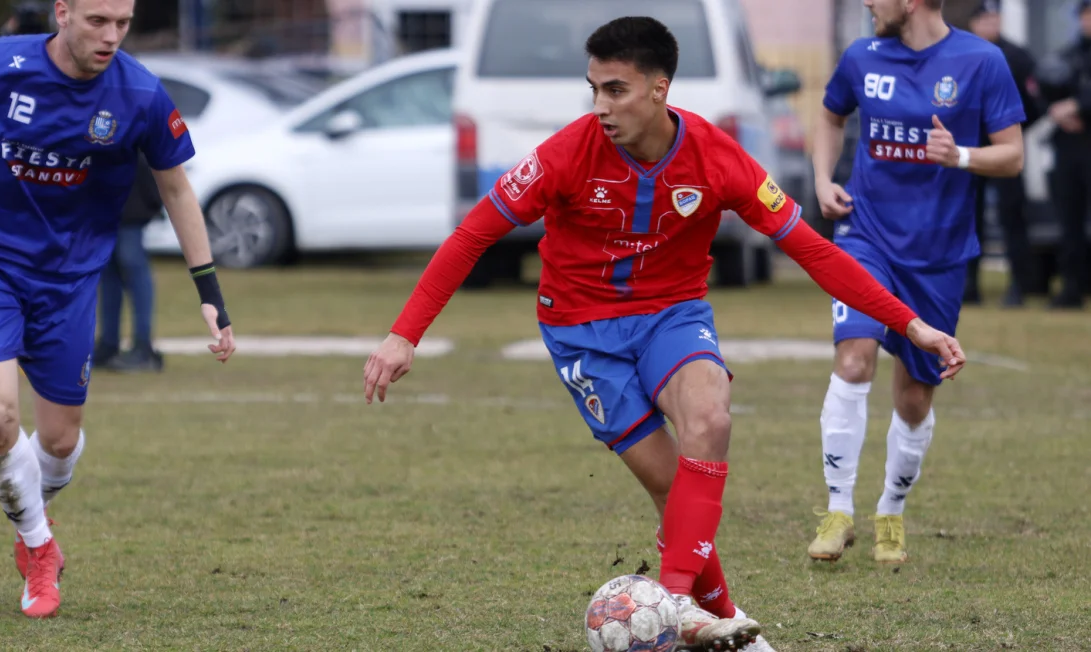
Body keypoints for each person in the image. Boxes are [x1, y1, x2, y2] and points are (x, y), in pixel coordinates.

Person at [362, 16, 965, 652]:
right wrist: (405, 334)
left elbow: (812, 250)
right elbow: (473, 233)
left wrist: (910, 323)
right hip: (581, 331)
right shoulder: (565, 155)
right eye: (594, 89)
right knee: (673, 488)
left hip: (672, 315)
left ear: (659, 88)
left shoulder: (718, 158)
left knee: (710, 416)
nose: (601, 107)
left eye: (616, 90)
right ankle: (726, 619)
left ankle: (675, 602)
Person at [0, 0, 238, 619]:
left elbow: (175, 187)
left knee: (59, 443)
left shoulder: (139, 93)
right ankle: (38, 547)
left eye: (123, 23)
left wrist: (209, 293)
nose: (111, 36)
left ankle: (31, 518)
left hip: (67, 282)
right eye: (97, 21)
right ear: (63, 13)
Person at [807, 0, 1024, 565]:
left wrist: (961, 155)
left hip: (939, 254)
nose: (867, 4)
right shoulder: (861, 56)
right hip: (866, 236)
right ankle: (836, 511)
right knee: (853, 358)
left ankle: (891, 512)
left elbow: (1014, 155)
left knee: (912, 398)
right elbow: (830, 116)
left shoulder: (982, 61)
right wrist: (823, 178)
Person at [965, 0, 1041, 307]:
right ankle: (969, 285)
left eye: (994, 18)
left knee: (1013, 216)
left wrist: (1012, 132)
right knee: (970, 218)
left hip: (1005, 150)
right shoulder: (960, 56)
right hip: (969, 151)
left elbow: (1035, 104)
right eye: (983, 19)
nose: (989, 25)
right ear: (973, 24)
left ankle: (1018, 286)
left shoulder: (1018, 58)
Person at [1037, 0, 1091, 310]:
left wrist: (1079, 106)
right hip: (1069, 148)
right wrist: (1056, 111)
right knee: (1068, 222)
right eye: (1085, 15)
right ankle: (1072, 288)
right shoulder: (1066, 56)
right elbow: (1042, 90)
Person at [95, 152, 164, 372]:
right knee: (109, 272)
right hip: (108, 202)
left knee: (132, 265)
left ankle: (143, 347)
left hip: (130, 200)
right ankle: (109, 344)